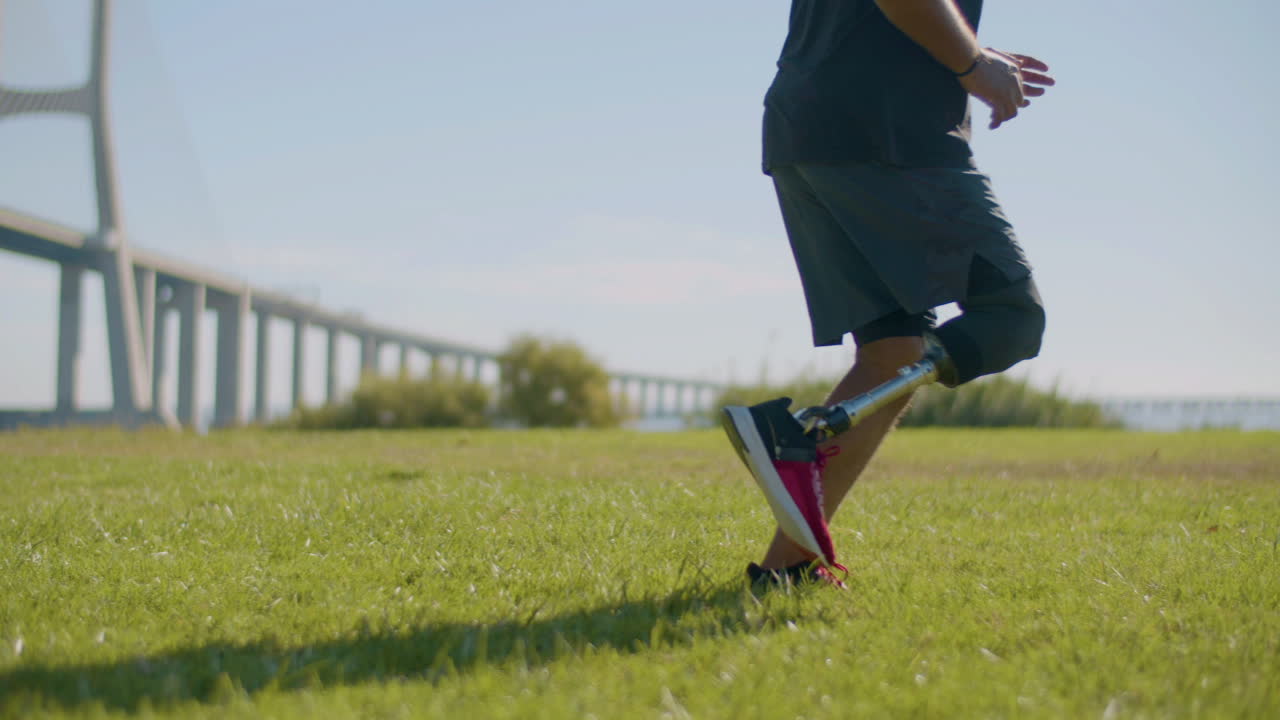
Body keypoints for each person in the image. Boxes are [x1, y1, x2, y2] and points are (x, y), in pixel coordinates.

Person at [721, 0, 1055, 587]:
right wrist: (973, 62)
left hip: (808, 127)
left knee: (892, 352)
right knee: (1011, 317)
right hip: (888, 133)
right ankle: (799, 439)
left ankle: (786, 570)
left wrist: (975, 56)